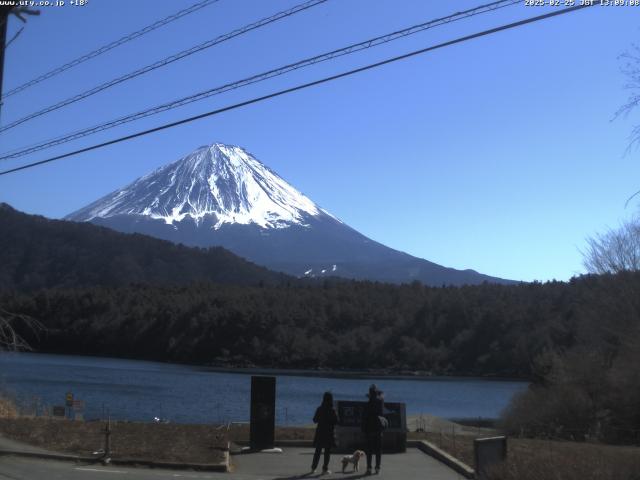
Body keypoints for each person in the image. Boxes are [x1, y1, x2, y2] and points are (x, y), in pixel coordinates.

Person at [311, 391, 338, 475]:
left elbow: (314, 420)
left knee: (318, 451)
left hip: (320, 432)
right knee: (327, 452)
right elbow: (336, 421)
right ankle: (324, 469)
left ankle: (313, 468)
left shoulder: (320, 408)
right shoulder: (332, 410)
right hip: (329, 433)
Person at [361, 384, 384, 475]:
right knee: (378, 450)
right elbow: (382, 396)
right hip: (378, 429)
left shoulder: (367, 405)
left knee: (369, 450)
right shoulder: (380, 403)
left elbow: (364, 417)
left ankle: (369, 468)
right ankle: (377, 467)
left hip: (369, 429)